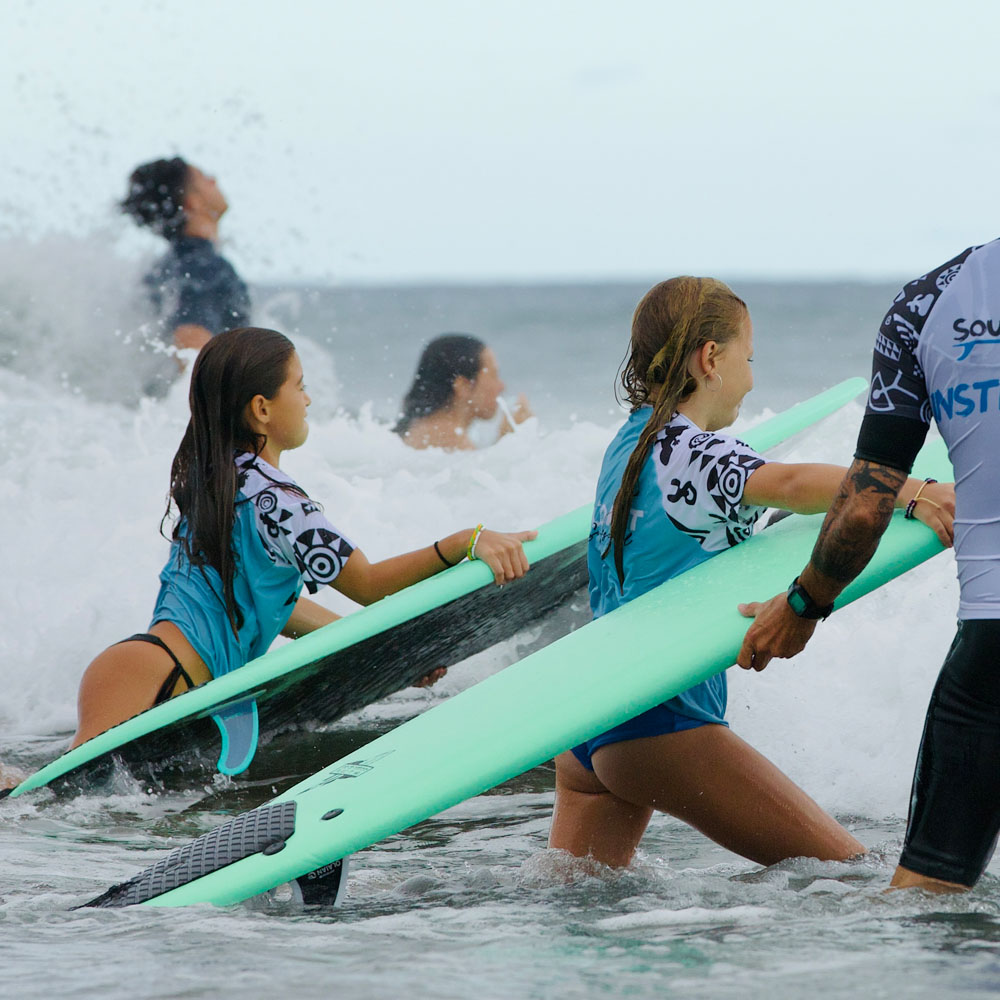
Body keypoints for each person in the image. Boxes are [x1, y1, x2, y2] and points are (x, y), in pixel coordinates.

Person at [547, 276, 954, 870]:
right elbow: (789, 482)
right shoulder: (694, 455)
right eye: (749, 357)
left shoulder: (631, 443)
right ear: (711, 359)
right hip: (662, 721)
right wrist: (911, 491)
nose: (753, 375)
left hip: (590, 714)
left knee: (577, 906)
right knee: (851, 878)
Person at [71, 327, 536, 748]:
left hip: (155, 671)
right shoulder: (278, 501)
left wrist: (382, 655)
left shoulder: (222, 481)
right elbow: (369, 584)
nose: (309, 400)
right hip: (153, 672)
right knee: (45, 803)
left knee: (58, 803)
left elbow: (278, 606)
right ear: (262, 409)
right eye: (300, 386)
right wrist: (464, 542)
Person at [738, 240, 997, 893]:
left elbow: (865, 501)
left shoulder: (927, 303)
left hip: (995, 649)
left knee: (928, 909)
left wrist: (803, 605)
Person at [121, 156, 250, 367]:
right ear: (193, 202)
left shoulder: (163, 268)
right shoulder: (202, 267)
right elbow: (191, 346)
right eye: (204, 178)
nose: (214, 180)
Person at [394, 333, 532, 450]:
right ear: (463, 386)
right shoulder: (450, 440)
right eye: (494, 375)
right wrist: (511, 441)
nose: (502, 387)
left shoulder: (418, 430)